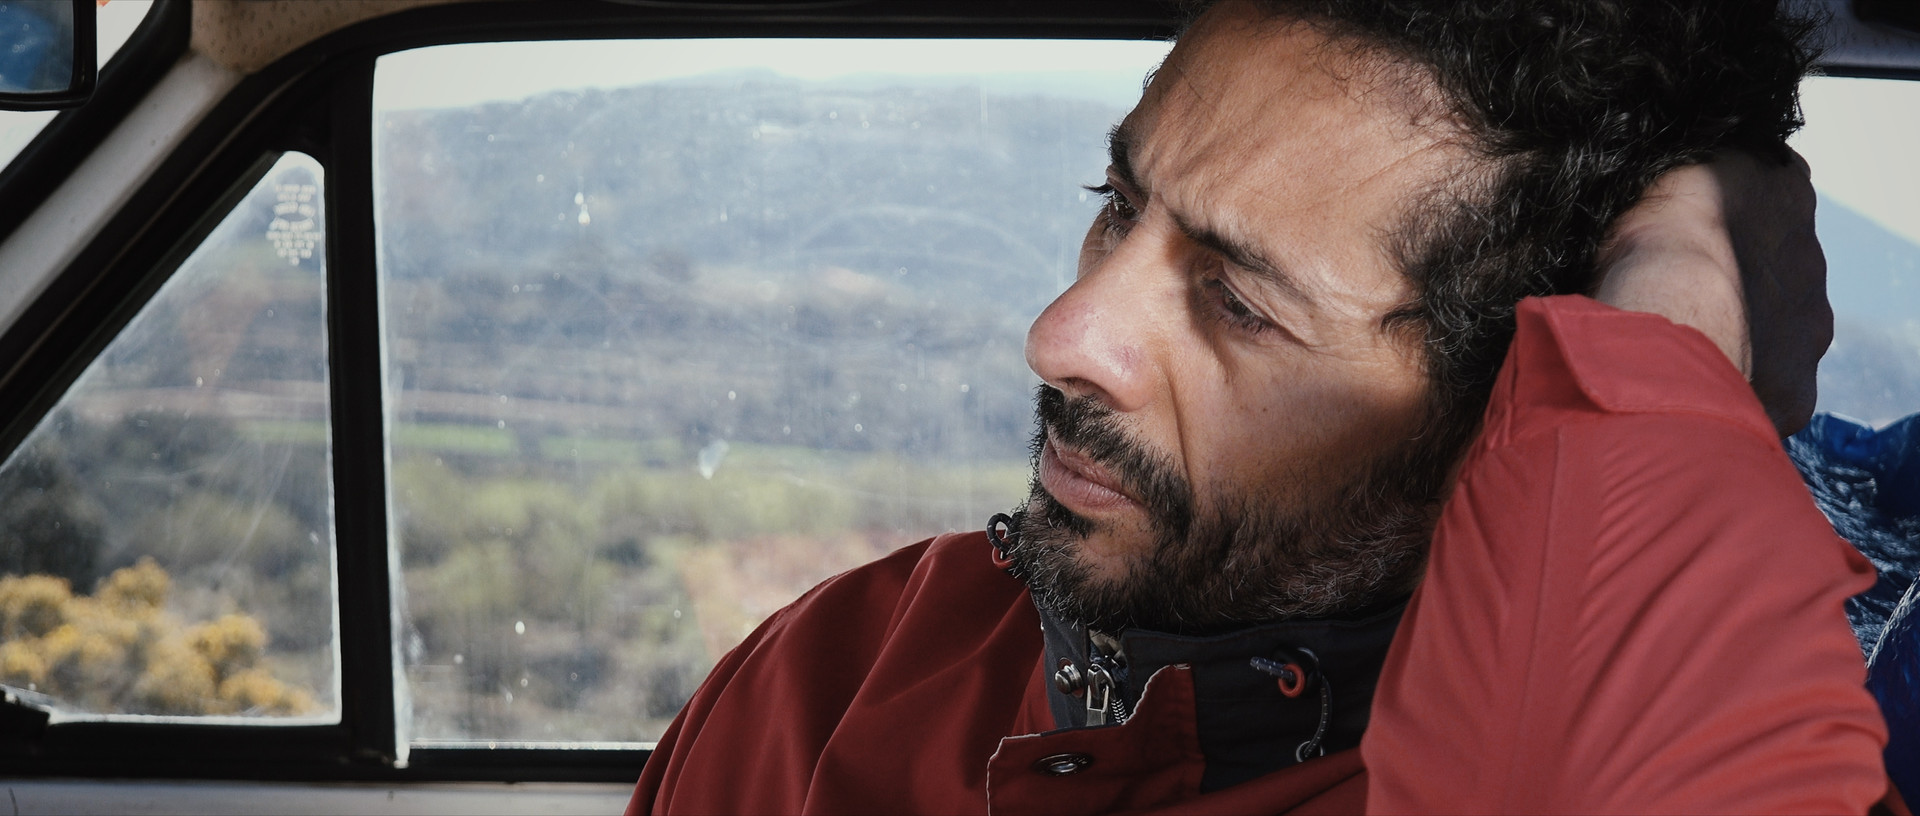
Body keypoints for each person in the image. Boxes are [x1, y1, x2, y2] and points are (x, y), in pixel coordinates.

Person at [627, 0, 1900, 812]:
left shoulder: (1605, 750)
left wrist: (1667, 310)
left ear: (1497, 404)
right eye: (1117, 208)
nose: (1061, 338)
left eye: (1240, 304)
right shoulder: (838, 672)